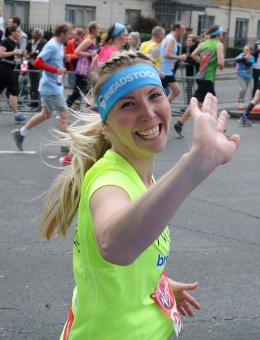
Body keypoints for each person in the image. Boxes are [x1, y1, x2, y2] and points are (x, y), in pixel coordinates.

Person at [40, 51, 240, 339]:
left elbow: (125, 262)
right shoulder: (108, 179)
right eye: (128, 104)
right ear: (106, 125)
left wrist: (157, 283)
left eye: (155, 95)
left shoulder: (141, 174)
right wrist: (198, 161)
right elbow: (116, 245)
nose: (148, 112)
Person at [11, 21, 73, 152]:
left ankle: (21, 133)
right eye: (69, 34)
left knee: (46, 114)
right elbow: (37, 62)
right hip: (51, 87)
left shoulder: (59, 44)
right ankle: (65, 146)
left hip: (53, 85)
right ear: (62, 34)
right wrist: (55, 70)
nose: (70, 36)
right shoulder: (52, 45)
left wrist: (65, 59)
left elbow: (54, 61)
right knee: (64, 113)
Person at [173, 24, 224, 137]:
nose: (222, 35)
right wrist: (220, 66)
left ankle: (180, 123)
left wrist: (202, 62)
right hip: (208, 78)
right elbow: (220, 62)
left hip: (200, 76)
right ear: (218, 34)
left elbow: (193, 54)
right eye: (221, 33)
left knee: (198, 102)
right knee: (210, 102)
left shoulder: (204, 43)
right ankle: (215, 127)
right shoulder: (218, 45)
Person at [66, 22, 100, 108]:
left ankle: (68, 107)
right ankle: (66, 107)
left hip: (88, 70)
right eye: (98, 28)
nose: (99, 30)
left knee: (83, 91)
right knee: (80, 92)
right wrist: (90, 54)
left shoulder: (93, 40)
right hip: (82, 70)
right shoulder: (88, 40)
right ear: (93, 30)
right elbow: (76, 51)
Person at [0, 26, 27, 122]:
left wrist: (20, 54)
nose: (20, 34)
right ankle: (17, 114)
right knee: (14, 89)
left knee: (11, 89)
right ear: (12, 32)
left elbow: (14, 54)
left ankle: (17, 114)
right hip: (4, 67)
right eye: (18, 32)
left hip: (10, 67)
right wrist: (13, 52)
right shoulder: (6, 41)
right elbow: (1, 54)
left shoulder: (16, 42)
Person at [159, 22, 187, 103]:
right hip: (165, 71)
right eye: (182, 30)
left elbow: (165, 54)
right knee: (176, 91)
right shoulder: (171, 39)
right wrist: (180, 57)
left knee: (174, 91)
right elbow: (166, 54)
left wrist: (174, 59)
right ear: (176, 29)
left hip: (165, 70)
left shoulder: (168, 37)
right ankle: (163, 106)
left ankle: (163, 106)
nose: (183, 32)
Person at [26, 27, 47, 108]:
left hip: (39, 66)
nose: (32, 34)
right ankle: (33, 101)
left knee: (38, 84)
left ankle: (38, 102)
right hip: (31, 65)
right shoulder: (30, 41)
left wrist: (30, 54)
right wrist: (30, 54)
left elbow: (39, 52)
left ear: (39, 35)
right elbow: (27, 51)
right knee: (32, 84)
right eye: (32, 32)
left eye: (34, 33)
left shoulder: (43, 42)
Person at [183, 34, 200, 104]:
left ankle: (192, 104)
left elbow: (193, 60)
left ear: (194, 42)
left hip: (195, 72)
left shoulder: (196, 48)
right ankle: (189, 104)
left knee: (193, 88)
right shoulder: (187, 48)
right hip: (189, 71)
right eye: (187, 40)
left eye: (189, 40)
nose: (187, 42)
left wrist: (186, 59)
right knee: (189, 88)